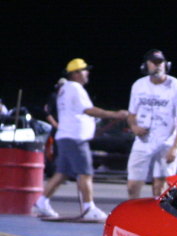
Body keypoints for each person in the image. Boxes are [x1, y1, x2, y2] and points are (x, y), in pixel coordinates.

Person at [33, 59, 128, 220]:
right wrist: (115, 114)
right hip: (74, 138)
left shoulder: (65, 89)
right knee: (85, 173)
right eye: (84, 70)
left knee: (62, 173)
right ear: (75, 73)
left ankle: (42, 202)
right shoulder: (76, 89)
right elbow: (89, 110)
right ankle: (88, 208)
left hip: (66, 136)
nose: (87, 73)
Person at [126, 49, 177, 199]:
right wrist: (134, 126)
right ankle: (135, 217)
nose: (158, 66)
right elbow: (131, 114)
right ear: (146, 65)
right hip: (143, 142)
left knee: (161, 187)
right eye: (153, 63)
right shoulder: (138, 85)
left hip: (166, 142)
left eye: (160, 62)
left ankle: (157, 218)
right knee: (132, 185)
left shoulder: (175, 85)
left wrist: (175, 146)